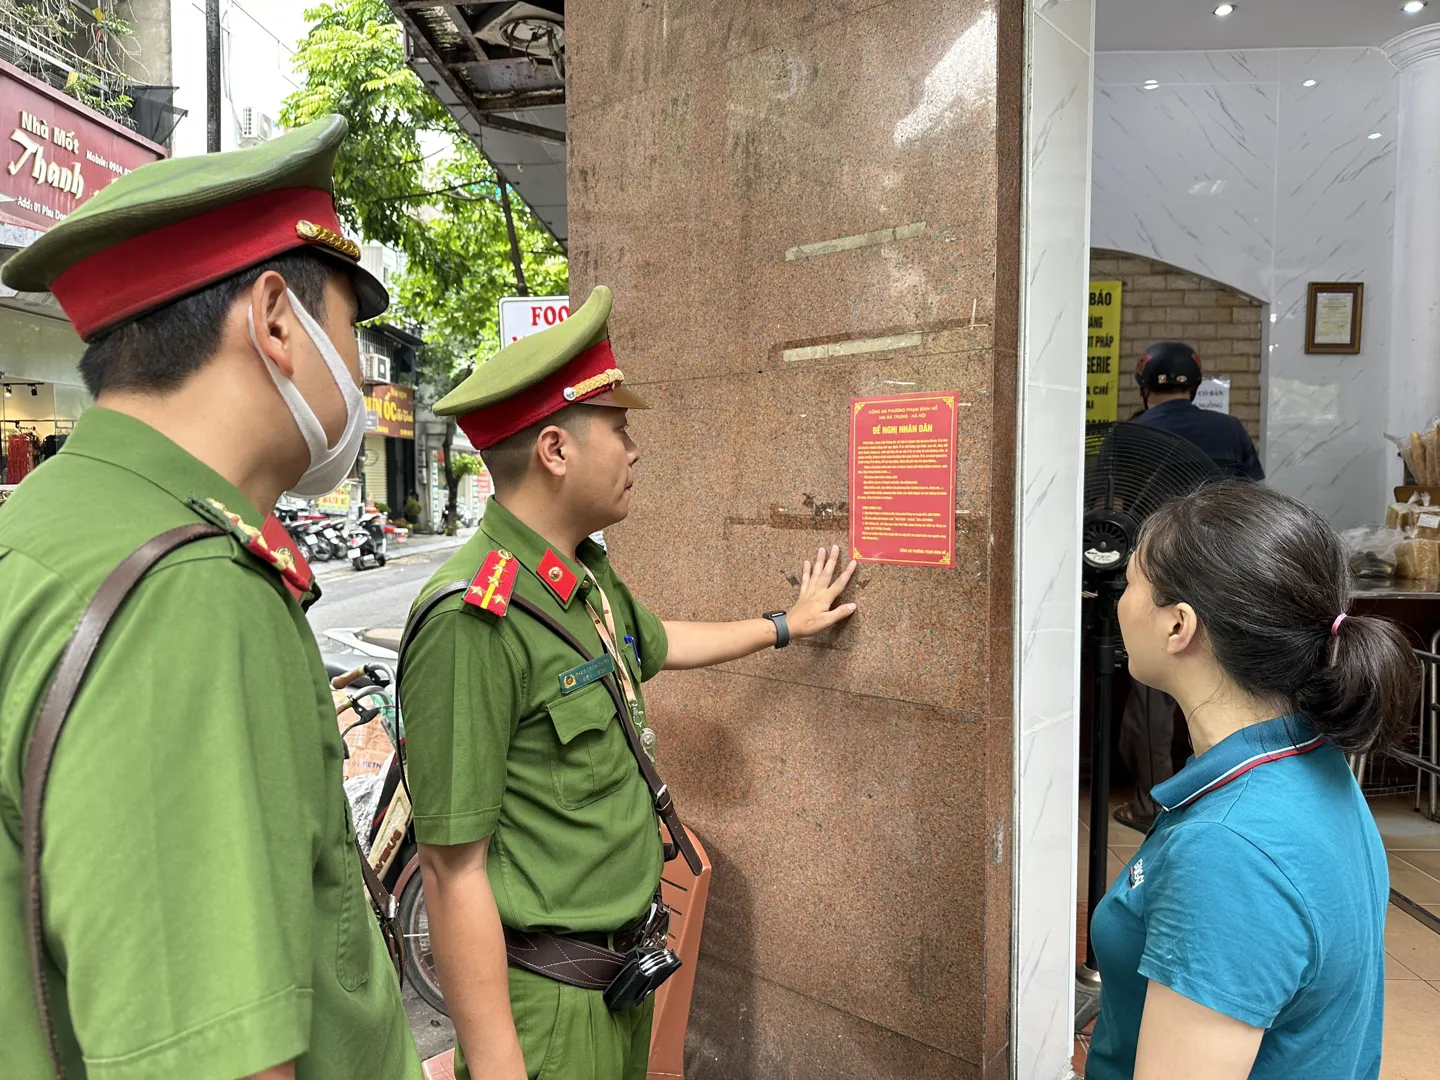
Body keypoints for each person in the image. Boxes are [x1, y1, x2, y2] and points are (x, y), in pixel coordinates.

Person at [0, 117, 422, 1079]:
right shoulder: (181, 591)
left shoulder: (51, 528)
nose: (358, 373)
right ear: (277, 321)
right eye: (352, 334)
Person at [400, 285, 859, 1080]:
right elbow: (451, 868)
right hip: (547, 1009)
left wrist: (787, 623)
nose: (634, 449)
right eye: (617, 429)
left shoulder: (580, 577)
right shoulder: (473, 618)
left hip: (620, 981)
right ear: (555, 450)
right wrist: (500, 1066)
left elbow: (661, 641)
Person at [1086, 481, 1417, 1080]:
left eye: (1131, 582)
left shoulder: (1227, 850)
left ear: (1178, 626)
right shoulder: (1309, 759)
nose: (1117, 600)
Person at [1114, 340, 1265, 831]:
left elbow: (1110, 516)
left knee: (1152, 697)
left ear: (1143, 386)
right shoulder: (1230, 430)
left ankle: (1153, 805)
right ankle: (1230, 798)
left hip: (1158, 581)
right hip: (1230, 579)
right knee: (1230, 687)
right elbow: (1253, 500)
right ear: (1195, 386)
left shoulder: (1128, 435)